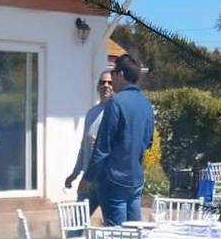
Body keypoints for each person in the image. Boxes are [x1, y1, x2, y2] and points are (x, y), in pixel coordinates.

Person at [84, 54, 154, 226]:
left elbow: (102, 146)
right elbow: (148, 142)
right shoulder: (146, 104)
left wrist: (88, 178)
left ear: (120, 74)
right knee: (135, 235)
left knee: (117, 237)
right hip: (135, 180)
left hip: (113, 180)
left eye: (113, 73)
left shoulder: (115, 102)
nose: (112, 78)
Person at [64, 69, 114, 215]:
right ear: (97, 87)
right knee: (78, 222)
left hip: (107, 179)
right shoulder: (91, 113)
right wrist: (75, 173)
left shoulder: (116, 111)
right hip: (88, 180)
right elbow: (84, 147)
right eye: (102, 82)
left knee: (111, 226)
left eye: (110, 82)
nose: (106, 85)